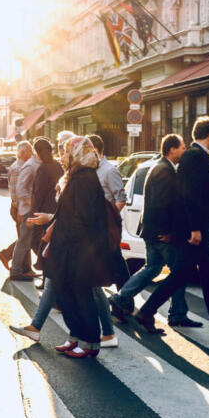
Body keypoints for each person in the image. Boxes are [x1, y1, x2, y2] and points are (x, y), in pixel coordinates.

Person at [132, 117, 209, 336]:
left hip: (199, 227)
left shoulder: (194, 156)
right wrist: (196, 228)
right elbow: (191, 194)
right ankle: (147, 311)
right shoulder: (196, 156)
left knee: (206, 273)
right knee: (185, 273)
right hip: (197, 229)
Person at [14, 136, 113, 357]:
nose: (63, 156)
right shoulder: (76, 176)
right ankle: (76, 336)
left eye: (67, 152)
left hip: (79, 249)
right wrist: (50, 222)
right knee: (67, 295)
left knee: (81, 296)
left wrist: (60, 236)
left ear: (78, 154)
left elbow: (80, 218)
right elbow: (67, 213)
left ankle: (89, 343)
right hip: (69, 246)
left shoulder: (85, 179)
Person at [108, 134, 199, 327]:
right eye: (182, 148)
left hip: (151, 230)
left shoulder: (158, 167)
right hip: (161, 233)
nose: (184, 151)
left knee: (152, 268)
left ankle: (120, 297)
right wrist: (167, 231)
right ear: (172, 149)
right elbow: (160, 203)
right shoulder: (165, 170)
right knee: (178, 272)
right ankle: (177, 314)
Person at [88, 134, 127, 348]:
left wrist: (107, 218)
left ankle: (123, 305)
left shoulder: (109, 170)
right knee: (113, 267)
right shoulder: (89, 169)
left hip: (105, 228)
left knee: (117, 268)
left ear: (96, 148)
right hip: (94, 230)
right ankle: (123, 304)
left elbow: (120, 198)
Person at [0, 141, 42, 280]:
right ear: (23, 153)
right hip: (20, 207)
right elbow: (16, 191)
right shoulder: (20, 167)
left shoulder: (19, 165)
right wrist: (18, 209)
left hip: (19, 206)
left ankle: (26, 268)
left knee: (26, 237)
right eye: (30, 150)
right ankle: (10, 259)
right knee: (24, 238)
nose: (32, 153)